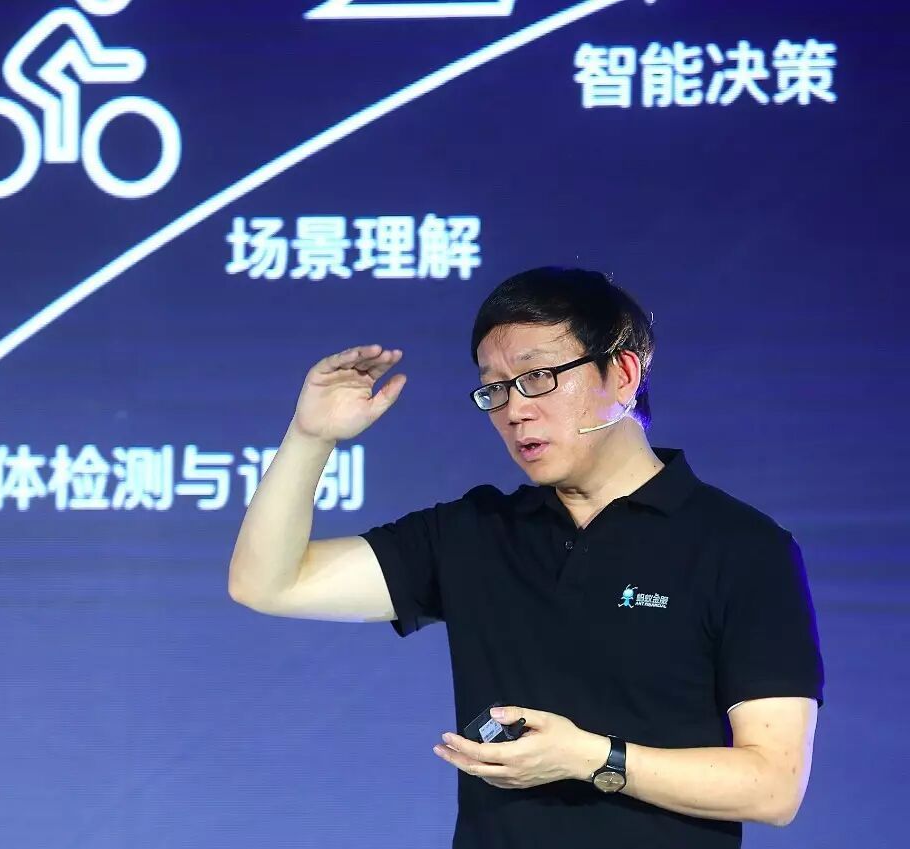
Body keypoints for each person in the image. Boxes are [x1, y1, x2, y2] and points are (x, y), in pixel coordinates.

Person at [227, 267, 823, 848]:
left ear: (622, 374)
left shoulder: (740, 546)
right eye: (495, 389)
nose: (514, 410)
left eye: (538, 377)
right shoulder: (477, 530)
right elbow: (267, 583)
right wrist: (311, 437)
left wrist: (589, 758)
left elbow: (774, 786)